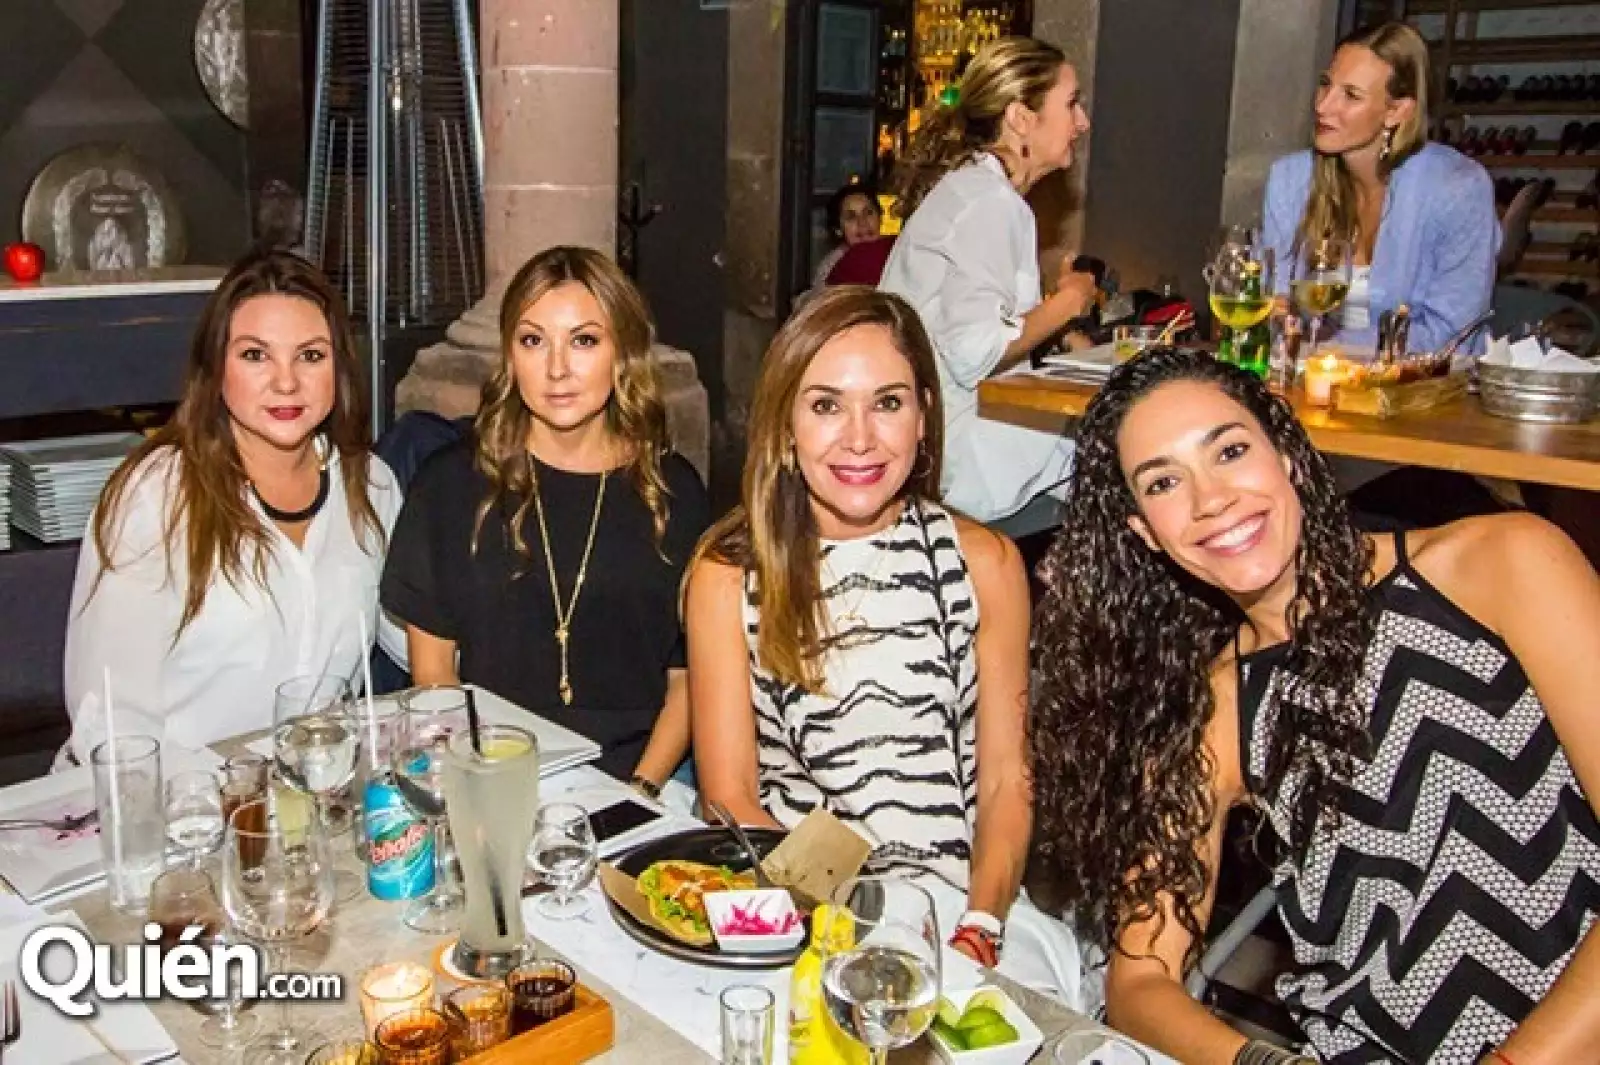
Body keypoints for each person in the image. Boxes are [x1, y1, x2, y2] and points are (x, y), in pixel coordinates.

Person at [1029, 346, 1600, 1063]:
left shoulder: (1499, 565)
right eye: (1165, 482)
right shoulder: (1218, 709)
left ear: (1287, 452)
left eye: (1230, 450)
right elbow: (1140, 978)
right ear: (1146, 534)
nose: (1211, 499)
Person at [686, 287, 1093, 1007]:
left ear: (925, 417)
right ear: (783, 424)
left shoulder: (987, 563)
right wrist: (844, 928)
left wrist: (980, 921)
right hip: (806, 901)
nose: (860, 437)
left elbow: (1006, 779)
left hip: (964, 905)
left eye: (888, 402)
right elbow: (730, 796)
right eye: (825, 405)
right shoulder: (727, 575)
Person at [381, 246, 709, 787]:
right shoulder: (451, 484)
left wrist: (641, 791)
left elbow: (687, 680)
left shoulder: (672, 492)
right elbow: (434, 679)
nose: (558, 369)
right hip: (492, 772)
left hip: (643, 777)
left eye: (584, 341)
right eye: (534, 341)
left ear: (622, 351)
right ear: (510, 356)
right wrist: (481, 786)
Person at [63, 249, 403, 760]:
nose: (286, 382)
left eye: (311, 355)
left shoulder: (372, 487)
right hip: (171, 807)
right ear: (216, 367)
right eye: (255, 355)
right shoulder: (155, 497)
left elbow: (419, 635)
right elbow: (109, 720)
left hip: (309, 798)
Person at [879, 37, 1099, 530]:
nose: (1082, 122)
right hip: (964, 465)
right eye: (1071, 104)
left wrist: (1058, 332)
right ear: (1021, 118)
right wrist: (1069, 302)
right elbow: (975, 352)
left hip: (934, 446)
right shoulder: (991, 203)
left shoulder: (973, 189)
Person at [1262, 21, 1498, 356]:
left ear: (1397, 111)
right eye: (1325, 84)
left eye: (1351, 95)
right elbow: (1275, 303)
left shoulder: (1456, 188)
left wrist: (1331, 350)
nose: (1323, 106)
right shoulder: (1290, 180)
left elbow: (1449, 334)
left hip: (1423, 395)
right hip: (1310, 385)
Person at [812, 180, 884, 289]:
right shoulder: (831, 270)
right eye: (851, 217)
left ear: (880, 218)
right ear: (838, 229)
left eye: (868, 213)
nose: (863, 223)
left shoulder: (896, 252)